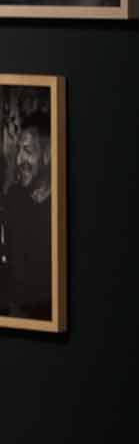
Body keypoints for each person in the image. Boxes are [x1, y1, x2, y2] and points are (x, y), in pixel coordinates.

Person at [0, 108, 53, 321]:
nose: (20, 159)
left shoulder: (58, 206)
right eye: (18, 150)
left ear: (48, 154)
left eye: (28, 151)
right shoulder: (14, 198)